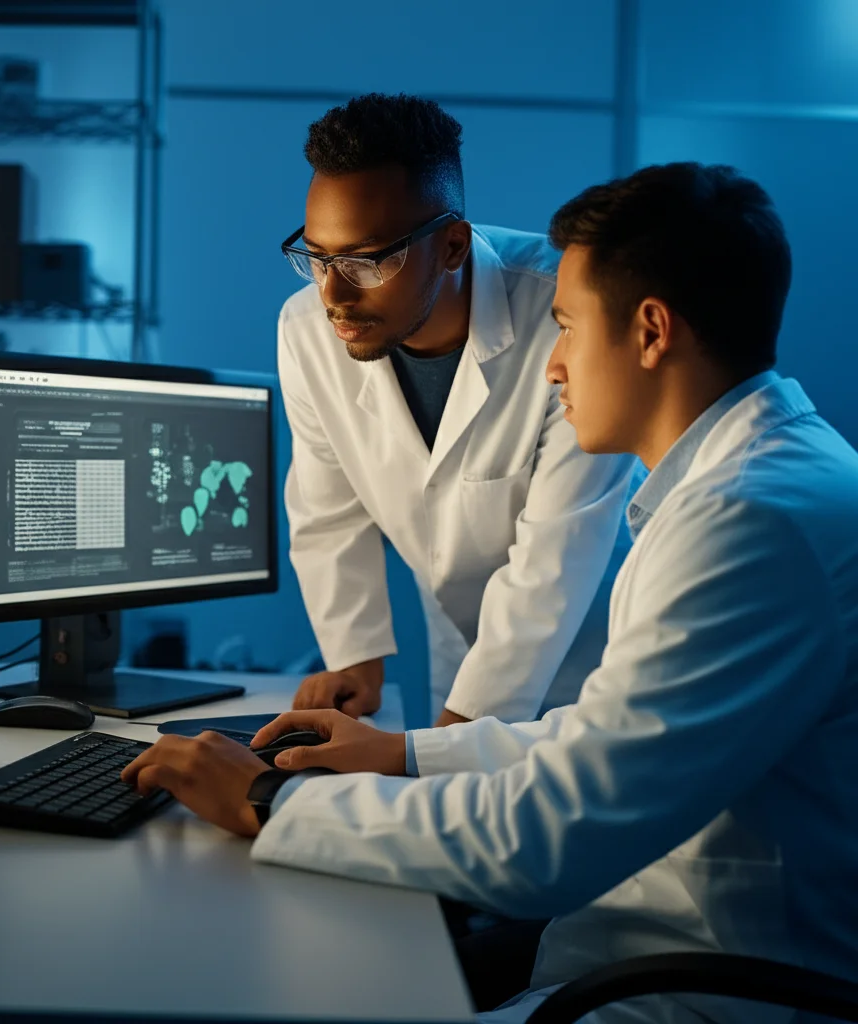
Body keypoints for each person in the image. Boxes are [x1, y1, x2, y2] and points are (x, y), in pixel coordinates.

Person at [123, 161, 858, 1022]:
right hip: (662, 933)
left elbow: (548, 837)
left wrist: (268, 800)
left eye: (569, 326)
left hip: (705, 985)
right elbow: (594, 741)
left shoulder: (748, 524)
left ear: (652, 332)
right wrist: (397, 755)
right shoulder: (758, 479)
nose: (552, 366)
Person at [277, 93, 635, 726]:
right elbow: (324, 503)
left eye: (367, 260)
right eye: (317, 256)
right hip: (462, 644)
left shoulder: (566, 314)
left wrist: (448, 742)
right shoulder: (308, 327)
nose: (333, 294)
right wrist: (355, 656)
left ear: (451, 246)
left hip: (595, 645)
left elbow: (557, 556)